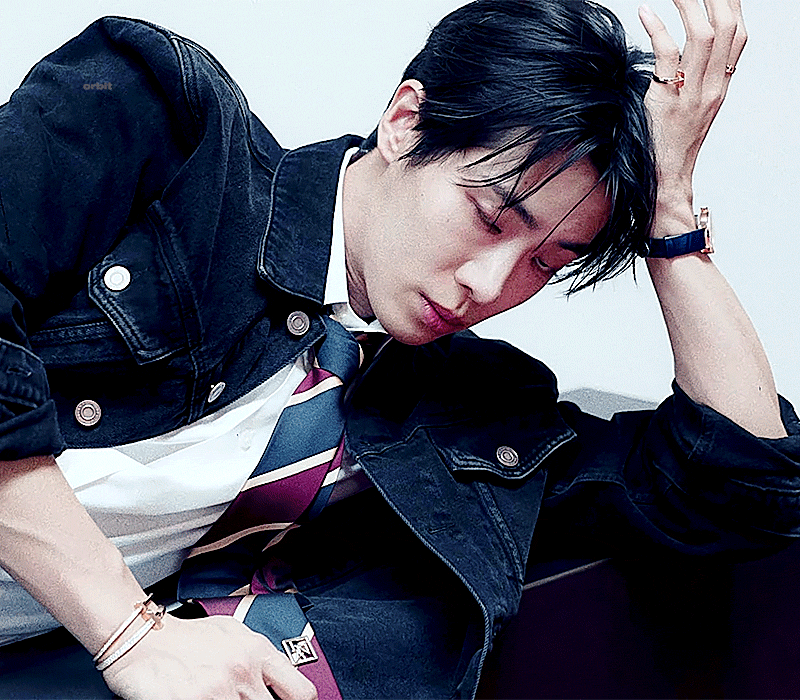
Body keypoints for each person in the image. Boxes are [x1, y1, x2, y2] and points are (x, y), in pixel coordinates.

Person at [0, 0, 797, 698]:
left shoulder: (467, 404)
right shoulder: (166, 122)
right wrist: (131, 634)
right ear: (405, 120)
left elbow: (744, 487)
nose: (490, 283)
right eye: (490, 217)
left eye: (545, 264)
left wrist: (669, 214)